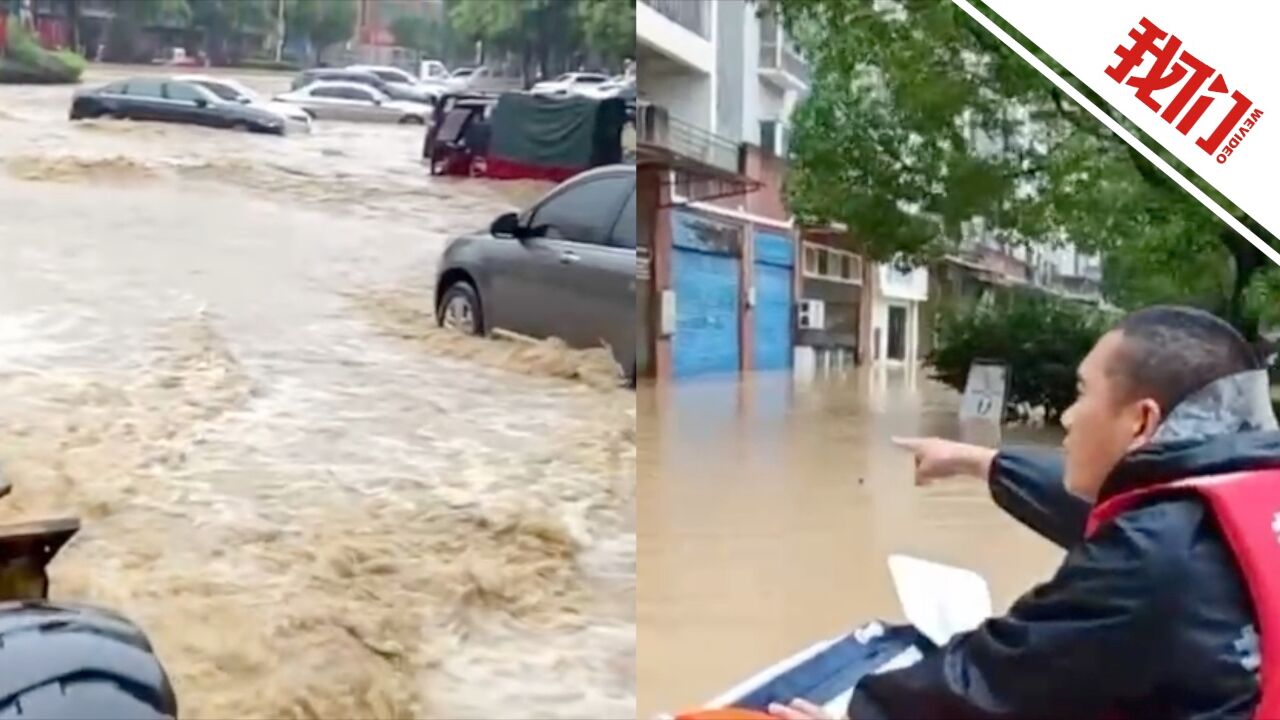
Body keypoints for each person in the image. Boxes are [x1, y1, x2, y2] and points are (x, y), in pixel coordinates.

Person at [768, 306, 1280, 720]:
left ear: (1141, 421)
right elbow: (1101, 513)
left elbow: (987, 683)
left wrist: (855, 713)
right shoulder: (1244, 496)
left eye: (1081, 394)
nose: (1067, 416)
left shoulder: (1152, 558)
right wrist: (979, 461)